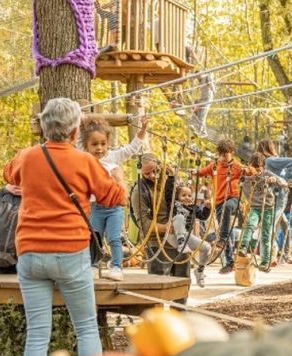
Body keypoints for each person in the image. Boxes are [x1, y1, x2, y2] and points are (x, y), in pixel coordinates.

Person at [3, 98, 126, 356]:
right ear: (74, 133)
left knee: (37, 335)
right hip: (70, 252)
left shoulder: (28, 156)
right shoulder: (86, 162)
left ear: (45, 127)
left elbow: (9, 174)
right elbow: (114, 198)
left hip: (31, 253)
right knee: (85, 328)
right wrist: (116, 177)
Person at [80, 115, 149, 281]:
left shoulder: (113, 157)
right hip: (96, 207)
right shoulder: (84, 159)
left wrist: (143, 131)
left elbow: (131, 149)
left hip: (115, 208)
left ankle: (116, 266)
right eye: (94, 144)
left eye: (103, 144)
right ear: (86, 146)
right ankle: (94, 265)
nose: (99, 148)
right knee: (95, 237)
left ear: (108, 144)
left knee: (113, 238)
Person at [130, 153, 191, 300]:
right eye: (147, 173)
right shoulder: (139, 191)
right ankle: (157, 321)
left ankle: (180, 318)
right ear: (140, 171)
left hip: (179, 240)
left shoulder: (169, 182)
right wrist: (166, 228)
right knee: (157, 291)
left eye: (155, 171)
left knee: (181, 287)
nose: (152, 175)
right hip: (157, 244)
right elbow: (144, 224)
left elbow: (183, 200)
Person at [196, 138, 253, 274]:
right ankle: (229, 261)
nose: (223, 157)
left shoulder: (237, 166)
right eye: (221, 154)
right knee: (223, 227)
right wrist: (193, 171)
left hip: (233, 200)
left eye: (226, 154)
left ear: (232, 153)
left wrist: (249, 169)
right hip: (218, 202)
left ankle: (222, 239)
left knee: (226, 215)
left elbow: (251, 172)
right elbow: (201, 172)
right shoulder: (215, 165)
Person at [238, 153, 287, 272]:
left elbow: (283, 182)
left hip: (268, 208)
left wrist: (275, 180)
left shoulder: (267, 174)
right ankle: (243, 246)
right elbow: (238, 182)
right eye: (255, 169)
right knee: (250, 224)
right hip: (254, 207)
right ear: (250, 166)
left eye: (259, 169)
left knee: (266, 234)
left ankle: (265, 262)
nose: (257, 172)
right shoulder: (246, 176)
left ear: (263, 168)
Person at [257, 139, 292, 266]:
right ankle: (272, 255)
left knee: (282, 225)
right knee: (274, 225)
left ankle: (283, 254)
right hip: (277, 196)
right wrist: (288, 179)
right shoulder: (269, 161)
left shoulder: (269, 161)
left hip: (275, 195)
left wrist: (287, 180)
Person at [169, 184, 212, 288]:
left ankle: (200, 271)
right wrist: (171, 178)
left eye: (189, 195)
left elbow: (203, 217)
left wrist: (207, 208)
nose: (187, 198)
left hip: (186, 235)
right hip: (173, 235)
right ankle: (181, 243)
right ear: (177, 197)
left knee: (206, 247)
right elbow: (168, 193)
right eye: (183, 195)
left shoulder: (194, 208)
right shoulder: (174, 205)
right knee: (179, 217)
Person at [188, 71, 216, 138]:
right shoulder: (200, 80)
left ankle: (200, 132)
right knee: (195, 114)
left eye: (197, 76)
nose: (197, 78)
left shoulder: (207, 77)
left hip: (207, 100)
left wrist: (212, 88)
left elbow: (212, 88)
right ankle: (201, 131)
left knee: (202, 116)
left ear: (201, 74)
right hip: (202, 100)